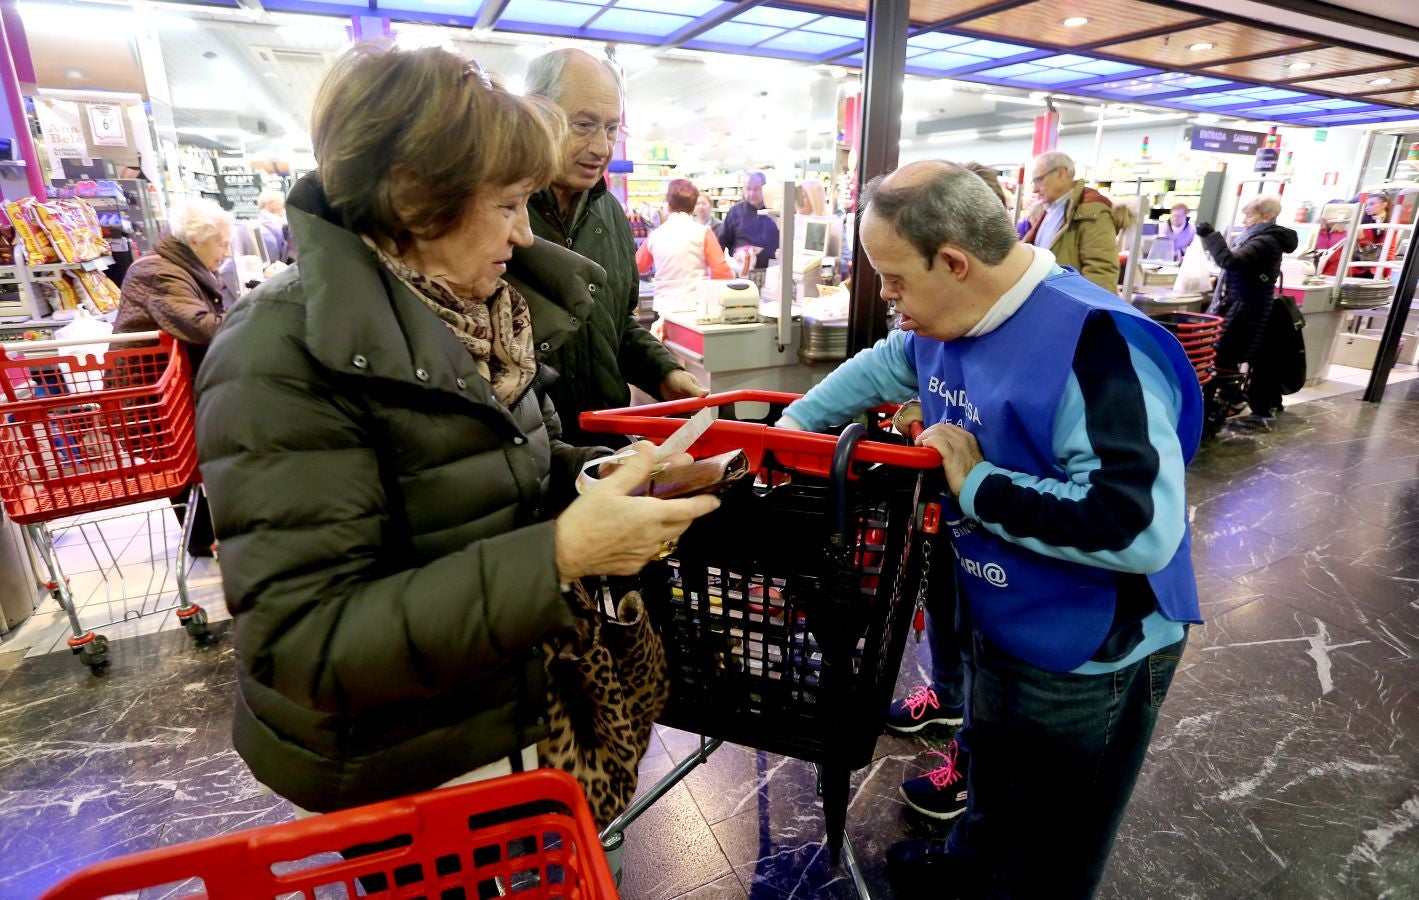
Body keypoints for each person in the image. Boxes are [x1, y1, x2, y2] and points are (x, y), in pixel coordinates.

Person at [194, 43, 719, 821]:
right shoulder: (280, 352)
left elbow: (502, 465)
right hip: (396, 767)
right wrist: (562, 553)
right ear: (415, 199)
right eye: (508, 205)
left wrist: (599, 474)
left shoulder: (483, 317)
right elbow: (303, 642)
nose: (525, 236)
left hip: (499, 716)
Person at [777, 160, 1201, 898]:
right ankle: (967, 865)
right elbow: (881, 368)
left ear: (953, 261)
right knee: (990, 763)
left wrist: (976, 482)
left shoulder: (1096, 345)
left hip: (1089, 645)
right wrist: (787, 438)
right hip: (997, 604)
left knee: (1049, 843)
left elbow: (1135, 525)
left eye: (896, 278)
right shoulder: (945, 320)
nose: (888, 298)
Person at [524, 48, 704, 445]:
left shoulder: (611, 214)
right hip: (528, 456)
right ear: (536, 114)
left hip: (606, 439)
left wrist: (663, 372)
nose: (602, 148)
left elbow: (617, 323)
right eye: (584, 125)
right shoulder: (499, 213)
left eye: (610, 129)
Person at [114, 197, 231, 559]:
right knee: (183, 459)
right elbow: (200, 326)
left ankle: (205, 536)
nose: (226, 252)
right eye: (221, 243)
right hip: (153, 400)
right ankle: (202, 538)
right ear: (195, 240)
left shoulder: (177, 268)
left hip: (168, 396)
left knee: (188, 460)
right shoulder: (160, 272)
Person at [1196, 196, 1299, 419]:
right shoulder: (1259, 237)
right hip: (1240, 305)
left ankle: (1233, 401)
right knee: (1225, 355)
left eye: (1250, 215)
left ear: (1268, 216)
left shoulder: (1266, 241)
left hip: (1246, 309)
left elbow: (1230, 261)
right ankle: (1230, 400)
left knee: (1223, 354)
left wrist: (1211, 236)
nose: (1245, 220)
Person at [1021, 150, 1131, 292]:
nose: (1035, 189)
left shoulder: (1091, 212)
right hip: (1049, 299)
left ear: (1061, 173)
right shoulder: (1049, 211)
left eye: (1039, 180)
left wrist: (1087, 312)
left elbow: (1101, 271)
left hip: (1067, 304)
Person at [635, 179, 732, 314]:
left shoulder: (655, 235)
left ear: (668, 206)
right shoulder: (703, 233)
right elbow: (722, 272)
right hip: (696, 305)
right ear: (693, 208)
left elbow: (638, 266)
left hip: (664, 307)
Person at [718, 171, 781, 272]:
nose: (752, 193)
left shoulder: (776, 211)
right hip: (741, 272)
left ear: (765, 188)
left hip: (773, 272)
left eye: (756, 189)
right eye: (748, 189)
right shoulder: (735, 212)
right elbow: (721, 242)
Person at [255, 189, 291, 264]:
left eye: (278, 210)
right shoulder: (262, 230)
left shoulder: (286, 226)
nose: (276, 215)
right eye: (272, 211)